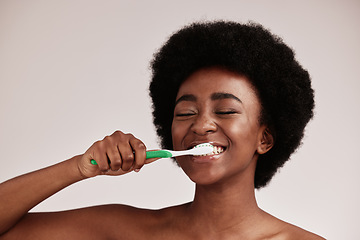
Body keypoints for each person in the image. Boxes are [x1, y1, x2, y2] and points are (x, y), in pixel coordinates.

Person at [0, 20, 325, 239]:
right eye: (185, 112)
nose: (201, 124)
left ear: (264, 138)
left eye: (225, 110)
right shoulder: (127, 231)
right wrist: (80, 167)